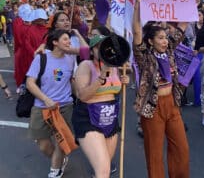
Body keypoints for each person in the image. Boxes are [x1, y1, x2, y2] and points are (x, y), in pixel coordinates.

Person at [133, 0, 189, 178]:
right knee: (154, 154)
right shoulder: (144, 55)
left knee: (182, 149)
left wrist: (190, 3)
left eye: (166, 38)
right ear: (150, 41)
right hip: (152, 108)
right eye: (161, 38)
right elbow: (136, 31)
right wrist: (138, 4)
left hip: (172, 106)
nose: (165, 41)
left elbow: (182, 26)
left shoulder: (170, 50)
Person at [72, 34, 129, 178]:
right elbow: (83, 95)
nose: (105, 49)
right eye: (99, 47)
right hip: (88, 118)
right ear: (92, 51)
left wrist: (123, 82)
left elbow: (112, 93)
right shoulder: (86, 66)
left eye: (107, 45)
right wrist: (101, 76)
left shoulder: (115, 67)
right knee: (103, 170)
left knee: (105, 168)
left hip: (110, 118)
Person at [26, 29, 75, 178]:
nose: (69, 42)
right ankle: (60, 159)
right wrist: (46, 99)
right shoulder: (41, 58)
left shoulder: (71, 58)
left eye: (69, 39)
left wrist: (77, 34)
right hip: (41, 107)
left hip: (64, 106)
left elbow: (85, 51)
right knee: (43, 145)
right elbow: (30, 83)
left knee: (60, 141)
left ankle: (55, 169)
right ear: (55, 42)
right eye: (65, 39)